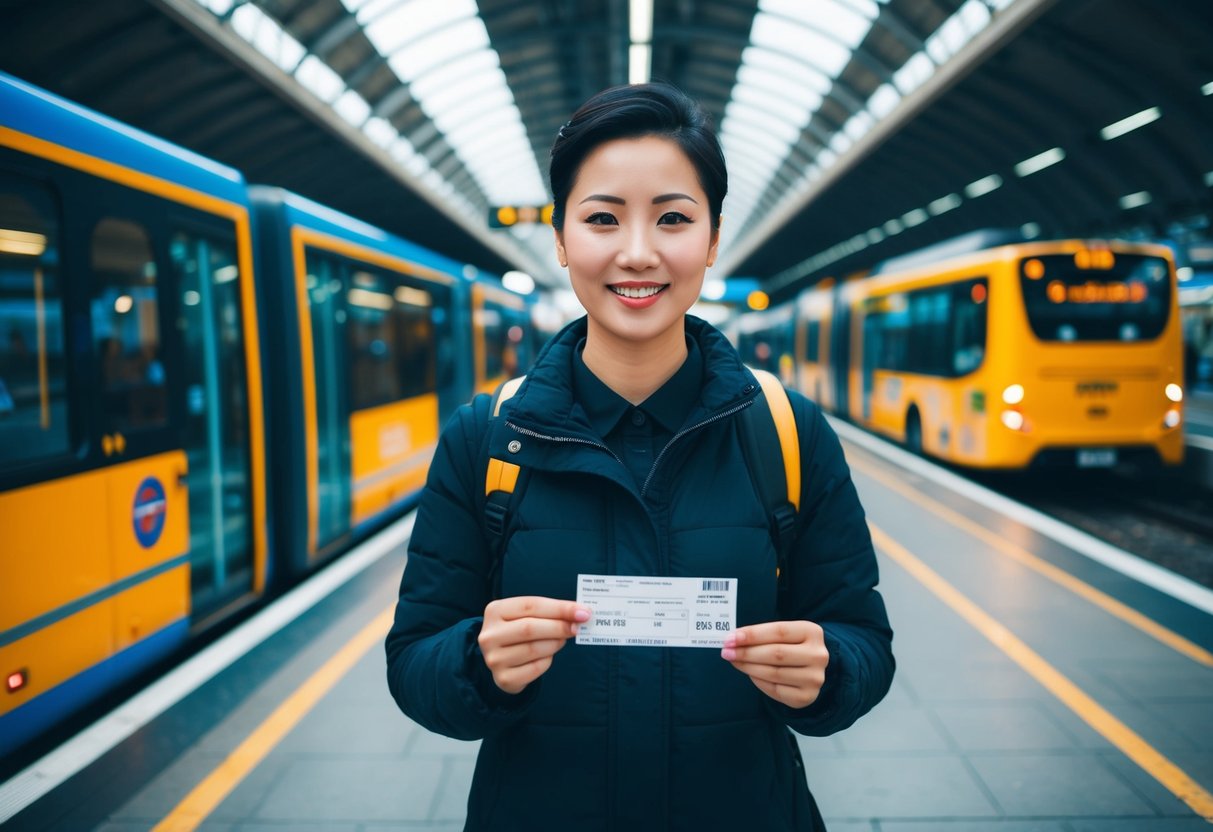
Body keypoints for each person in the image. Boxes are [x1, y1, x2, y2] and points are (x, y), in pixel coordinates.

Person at [385, 82, 895, 831]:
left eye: (673, 219)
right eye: (600, 218)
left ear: (713, 238)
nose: (636, 252)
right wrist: (474, 662)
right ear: (560, 239)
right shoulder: (485, 438)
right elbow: (415, 663)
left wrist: (828, 672)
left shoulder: (785, 431)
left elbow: (862, 641)